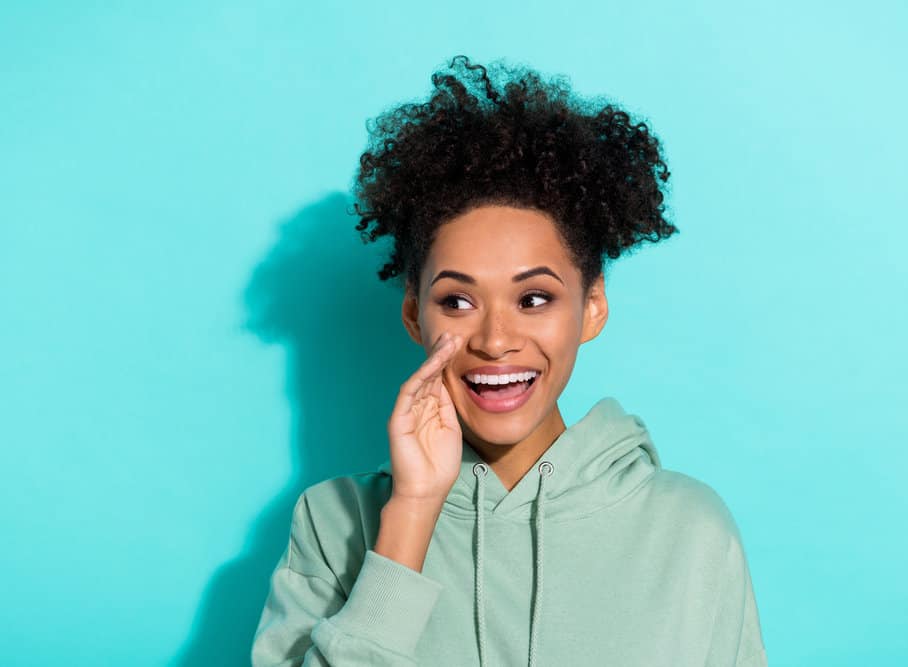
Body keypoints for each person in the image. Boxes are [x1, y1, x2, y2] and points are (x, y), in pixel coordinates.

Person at [251, 55, 768, 666]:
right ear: (416, 315)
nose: (495, 340)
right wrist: (412, 515)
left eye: (534, 298)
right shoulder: (332, 522)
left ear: (592, 307)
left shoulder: (690, 529)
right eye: (458, 300)